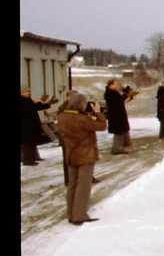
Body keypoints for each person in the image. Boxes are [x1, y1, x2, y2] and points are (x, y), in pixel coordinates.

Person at [57, 92, 106, 225]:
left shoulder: (62, 117)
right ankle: (79, 214)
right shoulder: (82, 119)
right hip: (85, 154)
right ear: (82, 105)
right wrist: (98, 112)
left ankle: (71, 213)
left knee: (72, 183)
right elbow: (102, 126)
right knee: (84, 184)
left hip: (71, 153)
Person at [20, 84, 56, 166]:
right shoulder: (23, 101)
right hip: (26, 126)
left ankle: (31, 159)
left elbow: (33, 107)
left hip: (29, 126)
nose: (29, 93)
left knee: (30, 143)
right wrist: (45, 103)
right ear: (22, 92)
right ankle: (28, 161)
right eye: (27, 91)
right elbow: (32, 108)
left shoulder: (26, 100)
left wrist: (46, 104)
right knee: (28, 144)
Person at [104, 79, 137, 154]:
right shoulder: (110, 94)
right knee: (118, 133)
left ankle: (116, 147)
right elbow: (118, 102)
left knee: (119, 133)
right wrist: (125, 95)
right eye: (116, 84)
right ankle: (117, 149)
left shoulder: (112, 93)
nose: (117, 86)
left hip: (117, 115)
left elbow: (120, 101)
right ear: (111, 85)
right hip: (116, 116)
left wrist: (126, 95)